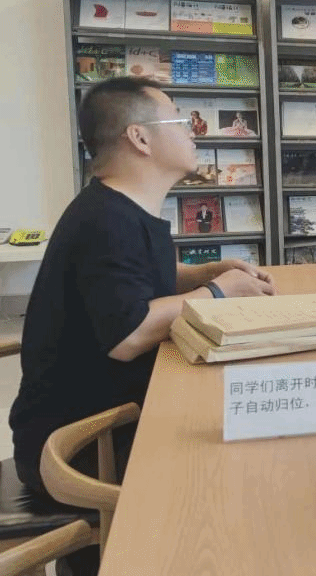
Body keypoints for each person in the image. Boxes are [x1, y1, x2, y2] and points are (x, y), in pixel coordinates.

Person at [9, 77, 275, 499]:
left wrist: (207, 272)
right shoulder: (105, 222)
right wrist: (219, 291)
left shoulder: (119, 207)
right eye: (179, 120)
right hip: (81, 445)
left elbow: (142, 276)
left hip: (116, 414)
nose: (192, 132)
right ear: (140, 138)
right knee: (247, 470)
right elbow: (128, 334)